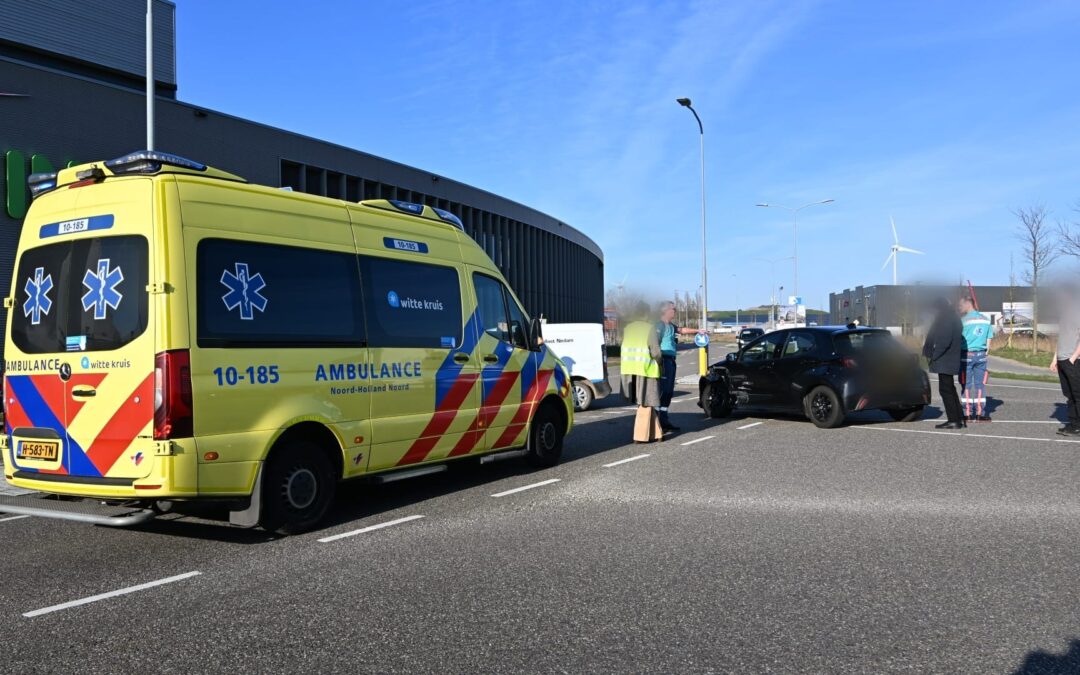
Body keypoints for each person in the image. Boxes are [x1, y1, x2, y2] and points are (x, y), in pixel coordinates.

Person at [655, 301, 703, 433]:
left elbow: (682, 330)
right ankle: (658, 422)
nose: (675, 311)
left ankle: (664, 420)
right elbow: (654, 344)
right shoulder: (659, 325)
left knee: (669, 391)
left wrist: (698, 331)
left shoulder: (670, 325)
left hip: (671, 360)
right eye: (673, 309)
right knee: (664, 391)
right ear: (665, 310)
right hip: (664, 360)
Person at [619, 304, 663, 437]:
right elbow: (656, 352)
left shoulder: (628, 328)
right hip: (646, 371)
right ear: (646, 314)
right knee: (646, 402)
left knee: (646, 403)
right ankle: (640, 436)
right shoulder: (649, 329)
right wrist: (661, 363)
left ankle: (657, 434)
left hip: (629, 372)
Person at [923, 297, 964, 429]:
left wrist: (934, 356)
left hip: (946, 360)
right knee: (950, 390)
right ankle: (958, 419)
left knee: (946, 391)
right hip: (950, 360)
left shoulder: (946, 318)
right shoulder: (953, 317)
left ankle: (953, 420)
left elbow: (944, 341)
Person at [1050, 284, 1080, 436]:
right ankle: (1073, 424)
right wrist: (1055, 359)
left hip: (1072, 360)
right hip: (1062, 359)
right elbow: (1061, 338)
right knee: (1069, 394)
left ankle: (1078, 426)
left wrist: (1073, 357)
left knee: (1077, 393)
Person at [958, 295, 993, 422]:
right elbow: (989, 338)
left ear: (968, 304)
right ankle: (980, 414)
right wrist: (986, 352)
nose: (960, 307)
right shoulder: (986, 319)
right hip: (982, 355)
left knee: (966, 385)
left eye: (962, 305)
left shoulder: (963, 320)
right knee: (980, 385)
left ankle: (967, 413)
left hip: (966, 355)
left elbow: (959, 338)